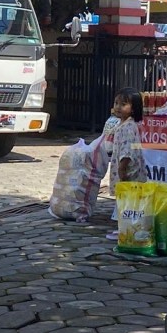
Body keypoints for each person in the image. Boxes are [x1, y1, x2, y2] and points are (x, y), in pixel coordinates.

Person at [48, 113, 121, 223]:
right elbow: (108, 145)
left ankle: (68, 208)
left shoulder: (118, 123)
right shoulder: (116, 122)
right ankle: (78, 210)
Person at [107, 87, 146, 241]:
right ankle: (125, 228)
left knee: (129, 202)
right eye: (116, 103)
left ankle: (128, 229)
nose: (118, 107)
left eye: (123, 104)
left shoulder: (129, 127)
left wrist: (122, 168)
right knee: (125, 201)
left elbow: (127, 151)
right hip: (125, 170)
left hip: (129, 172)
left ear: (133, 108)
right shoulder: (121, 124)